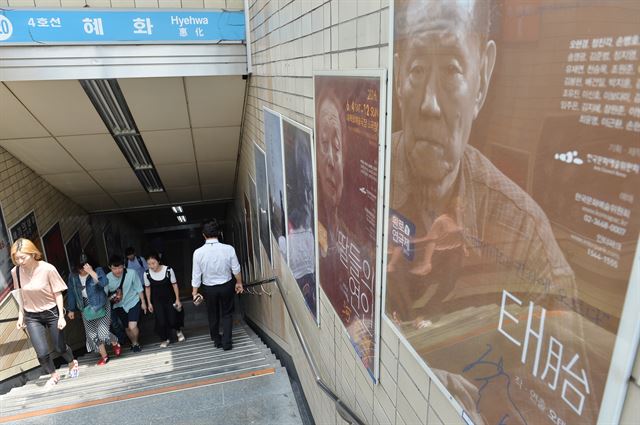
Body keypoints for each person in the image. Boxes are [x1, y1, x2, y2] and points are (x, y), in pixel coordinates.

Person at [10, 238, 79, 388]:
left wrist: (61, 316)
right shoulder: (16, 272)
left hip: (51, 312)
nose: (20, 261)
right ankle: (54, 375)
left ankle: (72, 362)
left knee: (60, 348)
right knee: (41, 353)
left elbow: (58, 293)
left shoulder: (48, 269)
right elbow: (19, 294)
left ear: (33, 253)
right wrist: (21, 315)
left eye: (23, 257)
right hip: (32, 316)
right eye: (16, 259)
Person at [191, 219, 244, 350]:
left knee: (212, 314)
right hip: (226, 286)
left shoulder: (198, 253)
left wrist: (194, 292)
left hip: (209, 289)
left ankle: (216, 340)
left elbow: (196, 275)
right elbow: (236, 269)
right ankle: (227, 342)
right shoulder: (229, 249)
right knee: (227, 313)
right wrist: (239, 282)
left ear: (203, 235)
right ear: (219, 233)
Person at [66, 255, 121, 365]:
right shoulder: (73, 276)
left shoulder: (97, 270)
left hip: (100, 303)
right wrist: (71, 309)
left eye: (85, 267)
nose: (83, 270)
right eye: (80, 268)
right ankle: (104, 356)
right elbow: (71, 292)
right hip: (84, 306)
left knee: (103, 334)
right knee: (92, 335)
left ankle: (115, 342)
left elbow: (104, 283)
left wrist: (91, 272)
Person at [105, 255, 146, 352]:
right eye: (115, 268)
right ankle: (133, 343)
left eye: (120, 267)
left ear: (123, 266)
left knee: (132, 326)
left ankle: (136, 343)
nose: (118, 270)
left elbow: (139, 288)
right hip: (118, 306)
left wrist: (143, 302)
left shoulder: (131, 273)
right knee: (127, 327)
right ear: (110, 267)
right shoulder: (107, 278)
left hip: (133, 301)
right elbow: (104, 294)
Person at [144, 252, 185, 347]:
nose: (151, 266)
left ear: (158, 261)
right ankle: (165, 338)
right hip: (157, 300)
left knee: (172, 319)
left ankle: (178, 330)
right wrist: (149, 303)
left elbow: (174, 285)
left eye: (153, 263)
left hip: (170, 298)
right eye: (149, 264)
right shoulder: (146, 273)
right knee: (161, 321)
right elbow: (147, 288)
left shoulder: (168, 270)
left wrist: (177, 299)